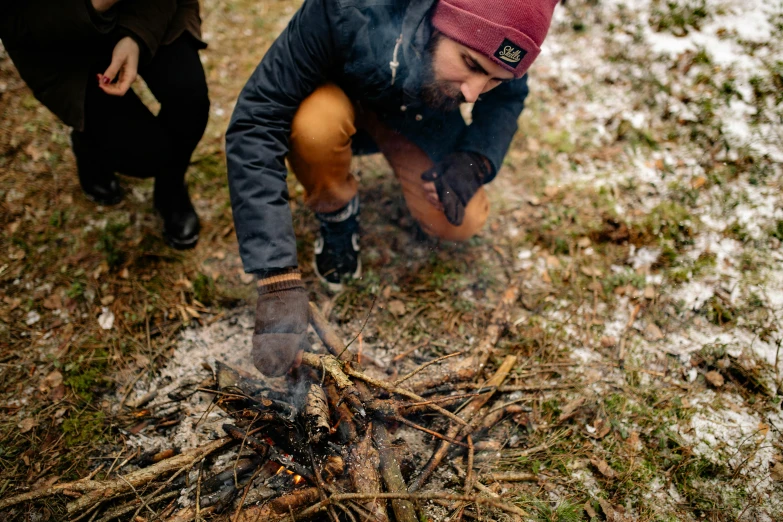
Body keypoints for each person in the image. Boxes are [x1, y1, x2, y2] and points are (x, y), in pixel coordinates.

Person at [226, 0, 559, 376]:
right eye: (470, 64)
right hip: (338, 100)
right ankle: (336, 211)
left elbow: (508, 99)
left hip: (416, 118)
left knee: (459, 220)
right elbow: (258, 119)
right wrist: (275, 272)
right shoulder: (343, 8)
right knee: (315, 128)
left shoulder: (505, 36)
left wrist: (475, 159)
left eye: (494, 79)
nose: (473, 93)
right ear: (439, 19)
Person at [0, 0, 209, 249]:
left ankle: (170, 189)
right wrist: (95, 6)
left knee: (190, 99)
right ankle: (87, 144)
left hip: (149, 8)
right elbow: (19, 23)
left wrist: (136, 35)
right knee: (145, 155)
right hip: (57, 49)